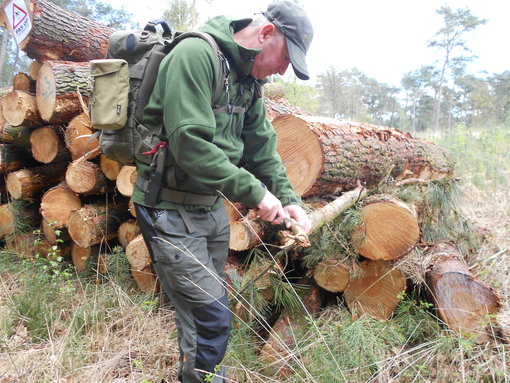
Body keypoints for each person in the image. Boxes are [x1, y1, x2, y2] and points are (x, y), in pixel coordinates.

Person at [132, 1, 313, 381]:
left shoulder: (247, 78)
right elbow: (190, 145)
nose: (283, 69)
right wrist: (258, 195)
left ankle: (199, 374)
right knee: (210, 318)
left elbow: (262, 148)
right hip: (169, 209)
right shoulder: (196, 55)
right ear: (266, 33)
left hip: (210, 208)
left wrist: (290, 199)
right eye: (285, 58)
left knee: (203, 317)